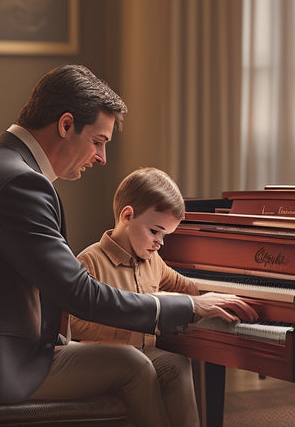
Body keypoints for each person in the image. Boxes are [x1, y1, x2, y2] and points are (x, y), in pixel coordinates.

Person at [0, 64, 257, 427]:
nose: (102, 158)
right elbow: (80, 294)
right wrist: (189, 306)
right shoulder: (20, 183)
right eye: (99, 141)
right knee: (131, 365)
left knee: (167, 363)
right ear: (66, 125)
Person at [70, 167, 201, 427]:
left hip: (147, 354)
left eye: (165, 235)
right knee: (140, 370)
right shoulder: (89, 261)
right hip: (106, 360)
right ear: (127, 216)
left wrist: (235, 294)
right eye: (155, 231)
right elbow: (75, 325)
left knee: (177, 364)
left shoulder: (154, 260)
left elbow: (187, 287)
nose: (160, 243)